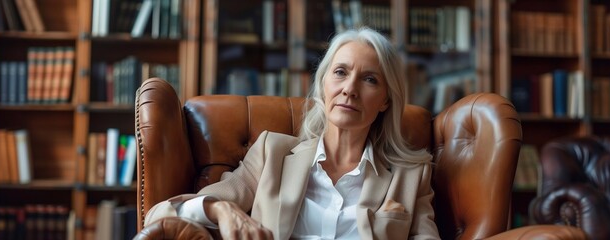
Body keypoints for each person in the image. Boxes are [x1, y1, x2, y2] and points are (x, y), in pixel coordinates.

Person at [144, 27, 440, 239]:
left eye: (369, 79)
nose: (349, 89)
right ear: (324, 86)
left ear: (386, 100)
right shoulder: (272, 154)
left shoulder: (411, 176)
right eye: (340, 72)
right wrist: (222, 210)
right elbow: (161, 215)